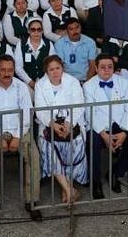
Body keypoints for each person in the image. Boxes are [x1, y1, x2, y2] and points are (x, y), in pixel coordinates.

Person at [0, 56, 41, 222]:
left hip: (20, 130)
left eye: (10, 70)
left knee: (34, 157)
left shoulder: (21, 87)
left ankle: (32, 200)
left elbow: (27, 114)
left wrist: (17, 136)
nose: (7, 73)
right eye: (3, 70)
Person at [84, 54, 128, 198]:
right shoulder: (88, 86)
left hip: (120, 123)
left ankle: (115, 173)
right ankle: (95, 181)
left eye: (110, 67)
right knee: (93, 142)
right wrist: (103, 134)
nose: (106, 70)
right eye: (103, 67)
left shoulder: (123, 82)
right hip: (99, 125)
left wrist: (125, 132)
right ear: (96, 68)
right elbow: (90, 113)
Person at [34, 55, 88, 204]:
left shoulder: (73, 82)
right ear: (46, 71)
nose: (55, 72)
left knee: (74, 144)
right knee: (48, 149)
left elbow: (79, 105)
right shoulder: (40, 85)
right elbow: (40, 110)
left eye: (58, 68)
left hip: (72, 123)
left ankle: (66, 188)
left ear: (62, 68)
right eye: (51, 69)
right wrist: (52, 124)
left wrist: (69, 124)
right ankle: (69, 190)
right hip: (48, 125)